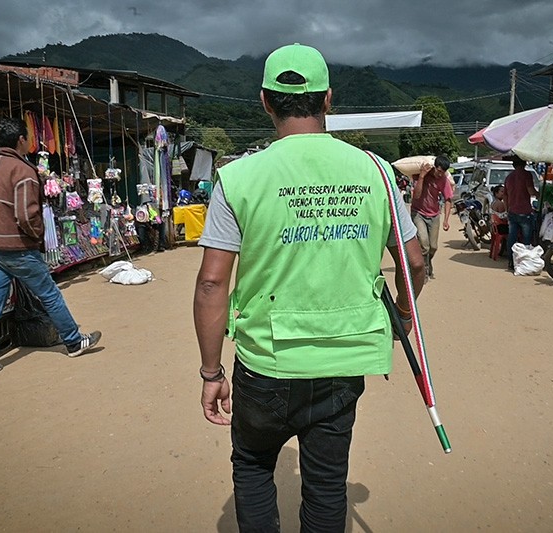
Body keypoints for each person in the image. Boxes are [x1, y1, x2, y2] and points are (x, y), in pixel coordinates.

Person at [193, 43, 425, 532]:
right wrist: (402, 313)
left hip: (265, 363)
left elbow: (213, 282)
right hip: (343, 361)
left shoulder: (236, 178)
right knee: (326, 485)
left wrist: (211, 372)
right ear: (328, 100)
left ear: (264, 100)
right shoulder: (378, 173)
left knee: (254, 466)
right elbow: (415, 263)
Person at [0, 118, 101, 379]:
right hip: (19, 249)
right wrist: (38, 235)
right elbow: (27, 216)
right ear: (20, 141)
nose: (28, 142)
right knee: (49, 294)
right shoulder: (23, 171)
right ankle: (73, 341)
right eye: (27, 138)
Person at [410, 155, 453, 279]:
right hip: (418, 213)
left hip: (434, 215)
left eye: (443, 172)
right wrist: (422, 176)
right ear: (434, 167)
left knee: (433, 247)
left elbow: (448, 199)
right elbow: (416, 195)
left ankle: (428, 263)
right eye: (439, 171)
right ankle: (423, 272)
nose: (440, 174)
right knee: (424, 245)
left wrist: (446, 220)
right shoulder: (420, 175)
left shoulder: (443, 180)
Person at [504, 157, 539, 271]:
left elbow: (505, 196)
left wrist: (507, 209)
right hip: (524, 212)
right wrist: (539, 195)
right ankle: (525, 261)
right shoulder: (526, 175)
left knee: (512, 238)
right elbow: (531, 191)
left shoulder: (509, 177)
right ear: (524, 164)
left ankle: (511, 261)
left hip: (512, 211)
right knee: (526, 239)